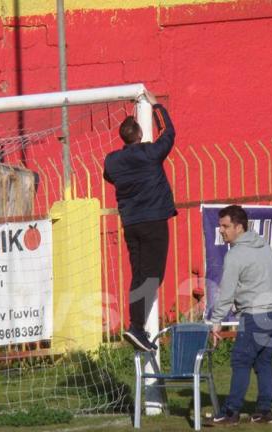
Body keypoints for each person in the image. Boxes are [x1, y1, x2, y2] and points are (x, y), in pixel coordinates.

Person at [103, 90, 176, 351]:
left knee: (139, 275)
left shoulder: (112, 160)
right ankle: (136, 327)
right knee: (153, 276)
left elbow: (109, 177)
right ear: (141, 134)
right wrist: (157, 107)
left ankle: (136, 327)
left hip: (131, 223)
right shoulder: (150, 153)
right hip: (154, 220)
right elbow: (169, 132)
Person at [210, 205, 272, 425]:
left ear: (239, 227)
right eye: (220, 226)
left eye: (225, 226)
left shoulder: (235, 255)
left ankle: (231, 412)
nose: (221, 230)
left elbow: (226, 293)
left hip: (257, 314)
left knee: (241, 361)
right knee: (264, 362)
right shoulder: (264, 246)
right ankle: (265, 411)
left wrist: (216, 322)